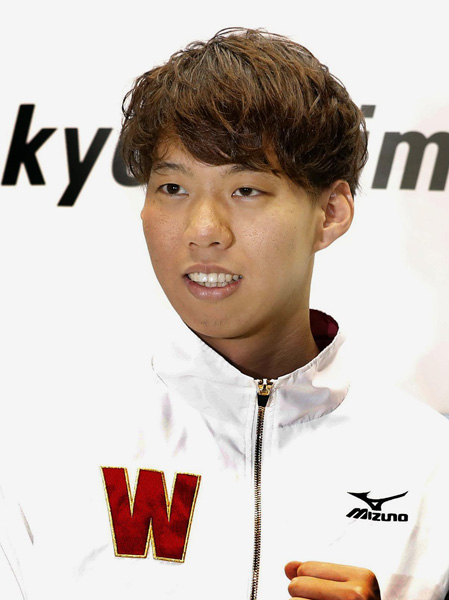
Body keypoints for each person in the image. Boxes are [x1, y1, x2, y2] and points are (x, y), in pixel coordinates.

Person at [1, 27, 449, 600]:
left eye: (246, 190)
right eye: (172, 188)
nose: (204, 230)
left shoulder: (430, 463)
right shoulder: (46, 447)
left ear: (331, 212)